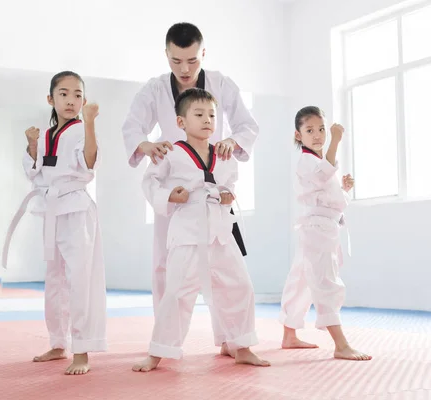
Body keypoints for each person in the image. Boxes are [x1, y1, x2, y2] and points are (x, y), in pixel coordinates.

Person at [122, 22, 259, 356]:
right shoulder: (154, 89)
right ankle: (164, 343)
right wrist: (145, 145)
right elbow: (133, 126)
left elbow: (246, 125)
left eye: (192, 61)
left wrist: (231, 139)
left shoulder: (221, 84)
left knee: (226, 272)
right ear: (166, 55)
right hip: (174, 186)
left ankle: (231, 339)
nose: (184, 69)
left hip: (211, 185)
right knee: (167, 269)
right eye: (176, 61)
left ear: (203, 54)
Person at [133, 88, 270, 372]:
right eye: (199, 114)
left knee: (240, 286)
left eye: (211, 115)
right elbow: (150, 183)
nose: (207, 120)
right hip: (188, 232)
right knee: (177, 293)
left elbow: (229, 184)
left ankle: (241, 346)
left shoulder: (224, 152)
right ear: (181, 122)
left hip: (220, 228)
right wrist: (172, 195)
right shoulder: (169, 152)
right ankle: (158, 352)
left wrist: (227, 195)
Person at [1, 71, 107, 375]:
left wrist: (91, 123)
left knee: (79, 279)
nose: (71, 100)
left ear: (84, 101)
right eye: (63, 93)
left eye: (77, 94)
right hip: (50, 210)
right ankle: (59, 341)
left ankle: (82, 349)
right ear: (51, 99)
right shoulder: (46, 135)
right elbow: (35, 173)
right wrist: (32, 144)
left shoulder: (81, 128)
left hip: (75, 208)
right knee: (55, 280)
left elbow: (89, 164)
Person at [278, 106, 371, 361]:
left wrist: (343, 189)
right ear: (298, 135)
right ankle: (341, 344)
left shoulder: (319, 161)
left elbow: (329, 195)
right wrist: (337, 142)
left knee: (301, 280)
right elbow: (322, 175)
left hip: (320, 227)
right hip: (316, 229)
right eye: (310, 130)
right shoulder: (308, 160)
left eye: (321, 129)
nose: (318, 135)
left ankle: (289, 334)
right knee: (325, 281)